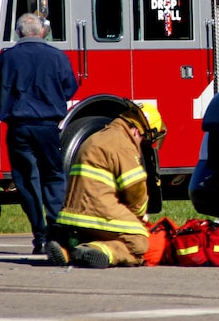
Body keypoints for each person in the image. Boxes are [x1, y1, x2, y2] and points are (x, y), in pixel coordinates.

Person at [0, 13, 78, 254]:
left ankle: (40, 235)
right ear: (41, 32)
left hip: (17, 128)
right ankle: (57, 233)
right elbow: (70, 87)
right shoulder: (57, 56)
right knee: (54, 177)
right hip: (48, 127)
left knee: (27, 181)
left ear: (18, 33)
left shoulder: (6, 58)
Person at [45, 101, 167, 268]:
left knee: (101, 232)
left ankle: (66, 248)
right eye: (145, 139)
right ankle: (101, 250)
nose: (142, 143)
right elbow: (135, 190)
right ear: (137, 131)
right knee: (139, 244)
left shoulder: (97, 136)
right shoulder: (123, 144)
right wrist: (140, 215)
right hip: (97, 213)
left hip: (71, 216)